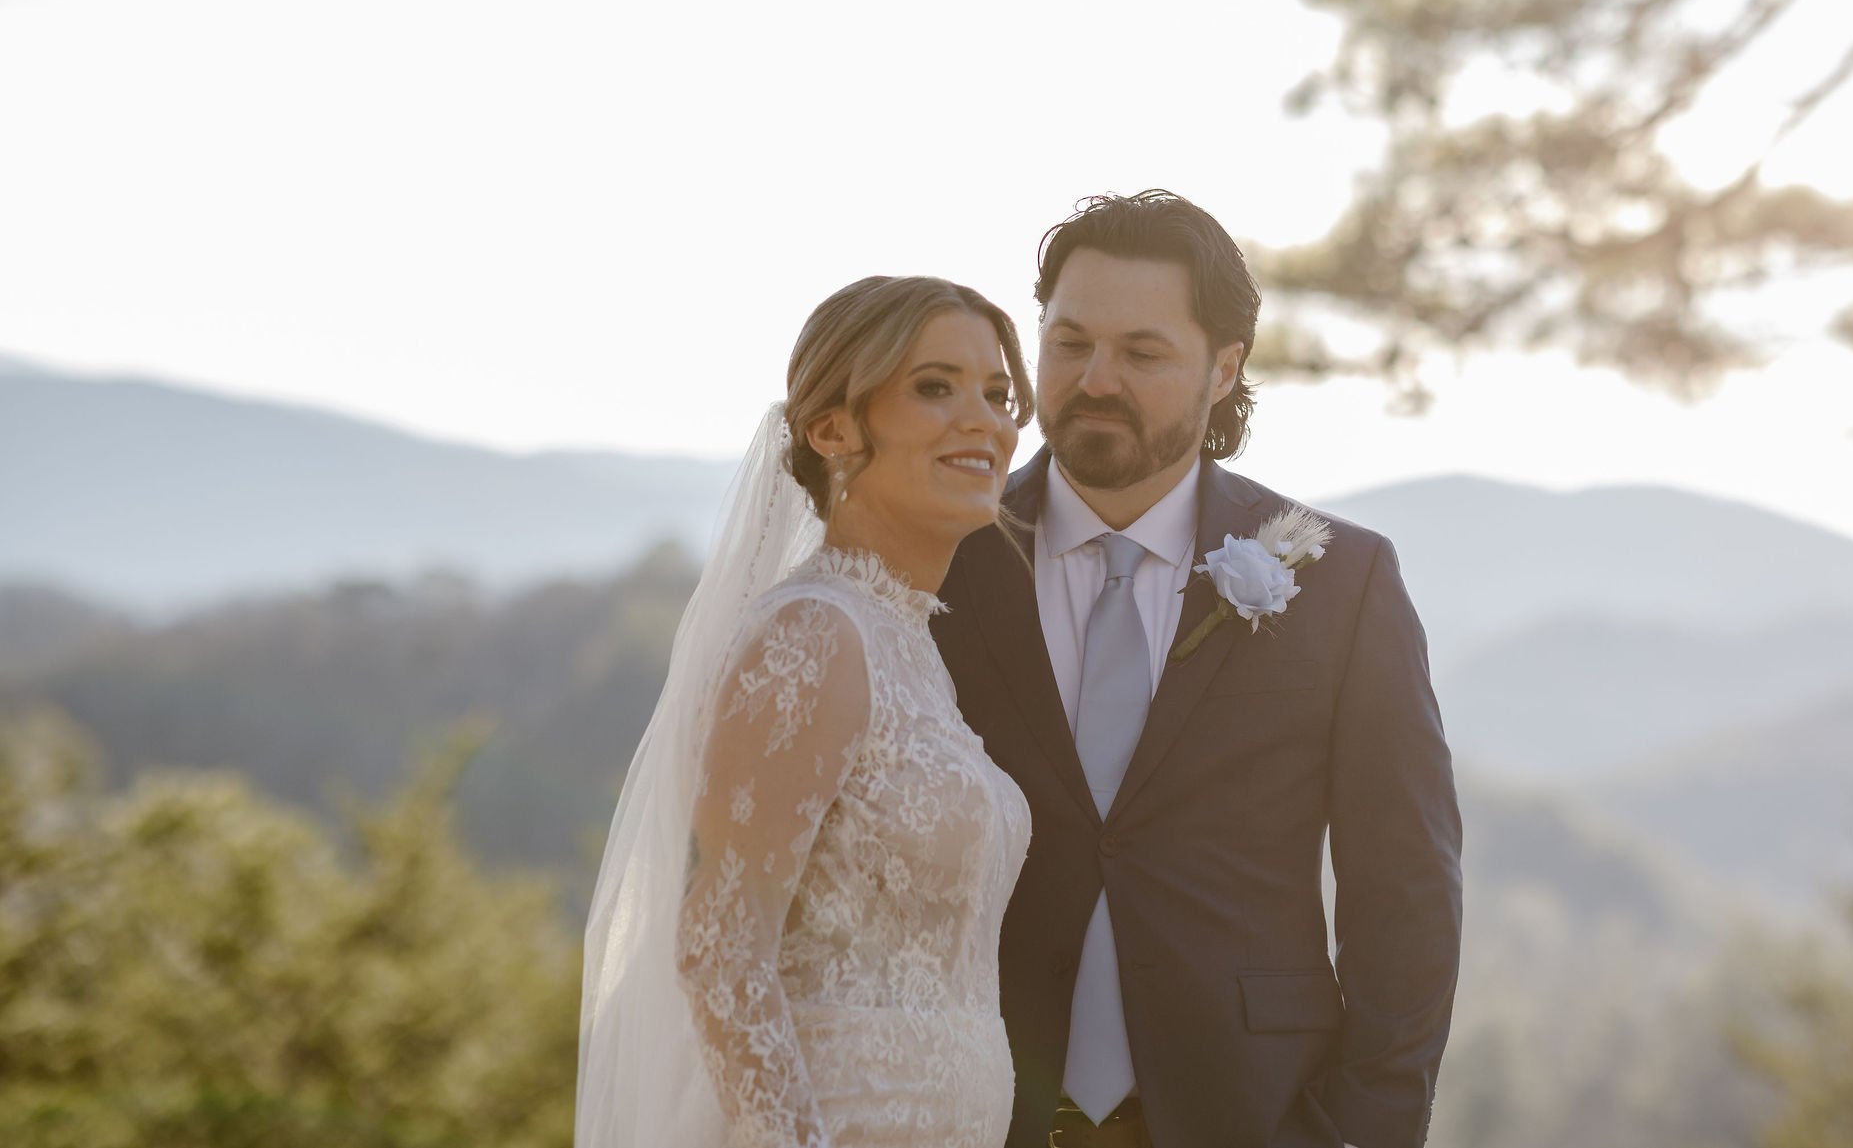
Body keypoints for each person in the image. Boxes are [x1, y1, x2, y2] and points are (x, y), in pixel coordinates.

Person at [933, 191, 1463, 1148]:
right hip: (970, 1117)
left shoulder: (1342, 580)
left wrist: (1362, 1132)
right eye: (1069, 342)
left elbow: (1407, 891)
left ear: (1225, 370)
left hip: (1256, 1116)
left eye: (1142, 353)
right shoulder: (940, 559)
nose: (1095, 379)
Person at [577, 275, 1037, 1148]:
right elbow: (718, 945)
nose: (986, 420)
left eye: (999, 393)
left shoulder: (909, 645)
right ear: (833, 428)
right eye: (935, 386)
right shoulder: (816, 634)